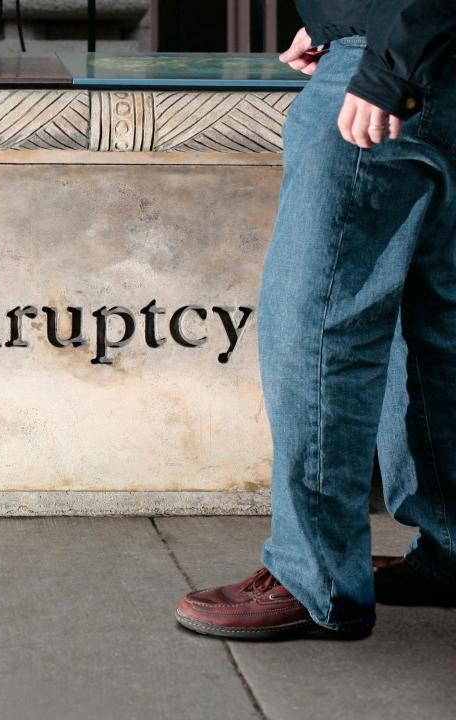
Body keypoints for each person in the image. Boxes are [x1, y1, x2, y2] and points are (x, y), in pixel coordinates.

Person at [176, 0, 456, 639]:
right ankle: (449, 554)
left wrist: (384, 56)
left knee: (321, 325)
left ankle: (315, 580)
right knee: (436, 326)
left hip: (393, 67)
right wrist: (344, 19)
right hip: (423, 49)